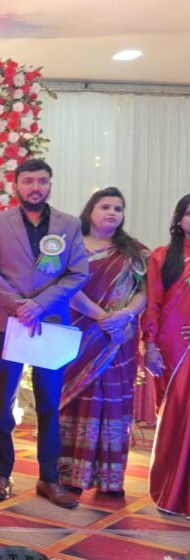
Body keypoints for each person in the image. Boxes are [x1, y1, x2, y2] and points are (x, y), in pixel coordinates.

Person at [0, 158, 88, 509]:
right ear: (16, 186)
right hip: (8, 322)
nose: (35, 187)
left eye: (41, 180)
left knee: (49, 403)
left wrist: (39, 305)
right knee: (3, 402)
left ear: (50, 185)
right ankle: (2, 475)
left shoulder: (69, 224)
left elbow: (78, 273)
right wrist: (18, 305)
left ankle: (49, 479)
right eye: (28, 181)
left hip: (50, 322)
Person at [59, 188, 148, 497]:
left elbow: (145, 291)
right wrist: (101, 316)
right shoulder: (71, 247)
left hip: (117, 340)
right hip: (80, 333)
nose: (112, 212)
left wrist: (125, 314)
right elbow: (65, 287)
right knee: (78, 399)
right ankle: (70, 475)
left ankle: (110, 480)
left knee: (113, 403)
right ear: (90, 210)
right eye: (105, 206)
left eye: (118, 208)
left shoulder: (134, 252)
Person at [142, 193, 190, 518]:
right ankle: (170, 491)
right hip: (172, 346)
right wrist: (151, 345)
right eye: (189, 213)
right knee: (174, 415)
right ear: (178, 219)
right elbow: (153, 303)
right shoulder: (162, 256)